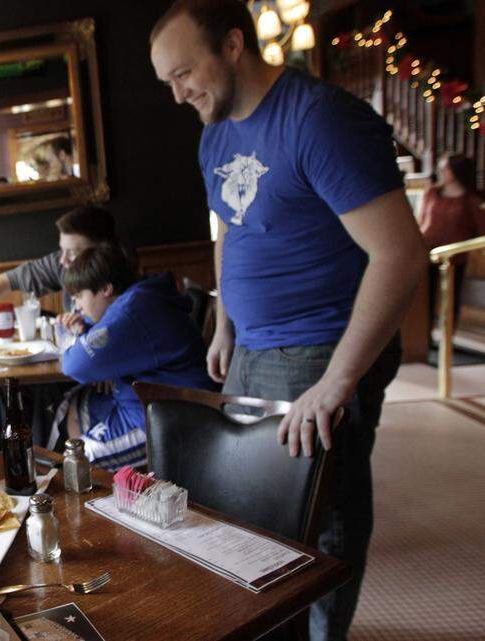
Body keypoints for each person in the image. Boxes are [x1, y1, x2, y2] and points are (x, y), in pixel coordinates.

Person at [149, 2, 428, 639]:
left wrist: (336, 382)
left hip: (316, 351)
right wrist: (225, 319)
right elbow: (229, 225)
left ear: (234, 45)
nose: (177, 93)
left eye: (185, 72)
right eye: (167, 80)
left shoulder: (321, 119)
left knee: (319, 525)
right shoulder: (214, 130)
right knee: (251, 524)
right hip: (251, 347)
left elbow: (401, 253)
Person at [54, 244, 215, 469]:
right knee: (72, 406)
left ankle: (106, 491)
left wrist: (73, 339)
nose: (78, 307)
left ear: (106, 290)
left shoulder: (132, 310)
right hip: (146, 402)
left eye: (79, 296)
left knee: (74, 463)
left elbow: (74, 366)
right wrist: (84, 330)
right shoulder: (138, 298)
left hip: (170, 418)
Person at [0, 205, 122, 348]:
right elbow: (5, 280)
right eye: (62, 250)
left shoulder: (123, 286)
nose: (63, 261)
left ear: (102, 250)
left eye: (74, 252)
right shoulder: (62, 263)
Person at [416, 152, 485, 332]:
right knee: (425, 299)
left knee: (450, 299)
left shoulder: (471, 200)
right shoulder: (432, 192)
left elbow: (481, 230)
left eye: (445, 168)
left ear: (456, 171)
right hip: (427, 253)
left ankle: (448, 336)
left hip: (454, 257)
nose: (441, 171)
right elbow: (421, 221)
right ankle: (425, 337)